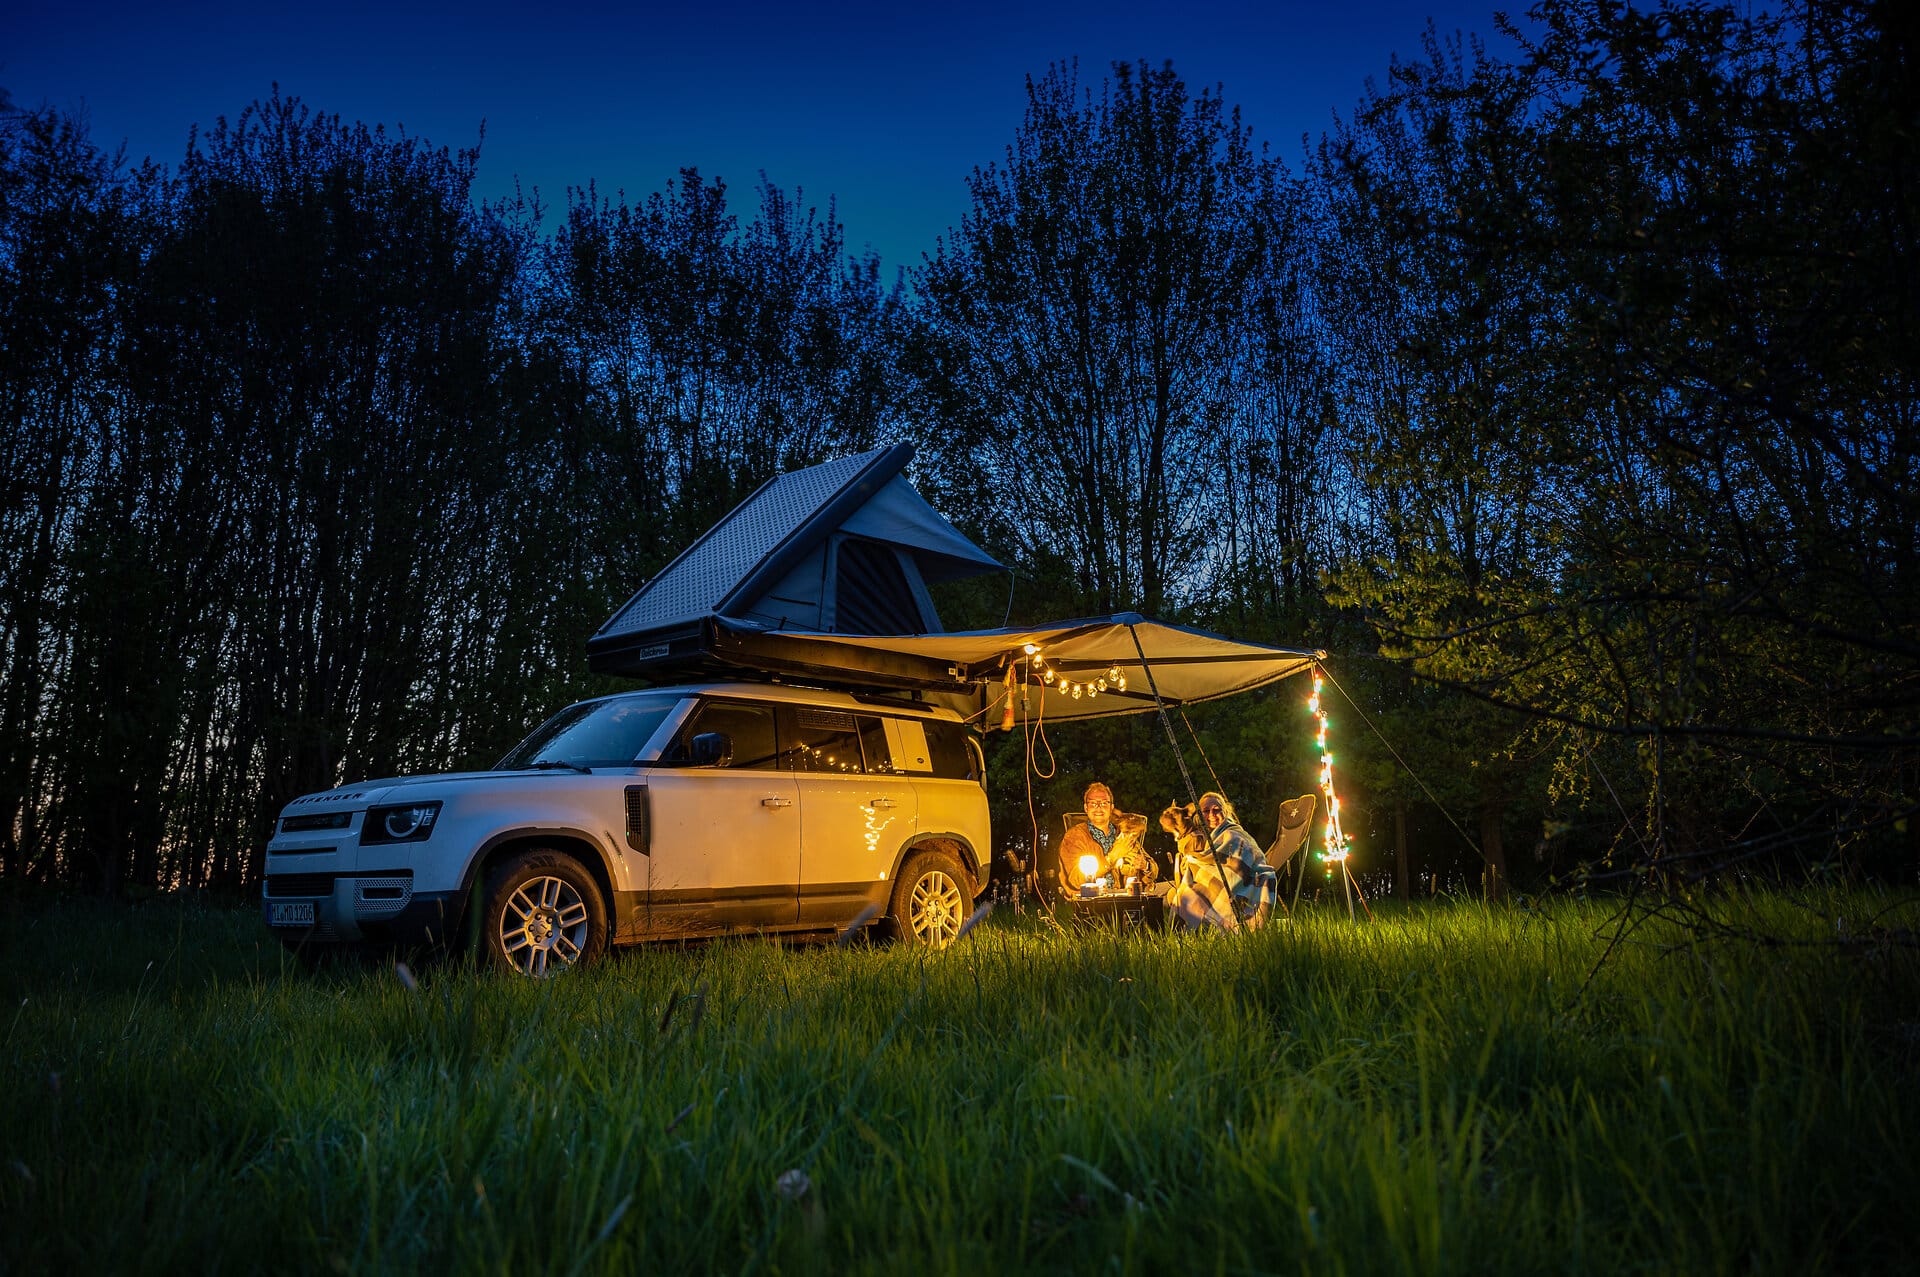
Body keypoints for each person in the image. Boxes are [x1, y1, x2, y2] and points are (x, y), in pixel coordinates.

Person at [1166, 791, 1278, 931]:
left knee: (1187, 895)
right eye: (1206, 811)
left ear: (1225, 811)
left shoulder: (1233, 833)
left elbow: (1238, 859)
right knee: (1181, 895)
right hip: (1215, 883)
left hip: (1241, 883)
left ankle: (1219, 929)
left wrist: (1193, 860)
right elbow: (1206, 860)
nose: (1211, 815)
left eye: (1216, 809)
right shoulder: (1203, 837)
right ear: (1199, 816)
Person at [1059, 782, 1152, 892]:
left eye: (1104, 803)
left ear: (1111, 807)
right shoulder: (1074, 836)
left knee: (1173, 891)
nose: (1098, 808)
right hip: (1092, 898)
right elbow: (1075, 880)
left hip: (1125, 895)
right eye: (1093, 803)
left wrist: (1145, 865)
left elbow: (1152, 868)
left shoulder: (1123, 833)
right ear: (1085, 808)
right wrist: (1111, 858)